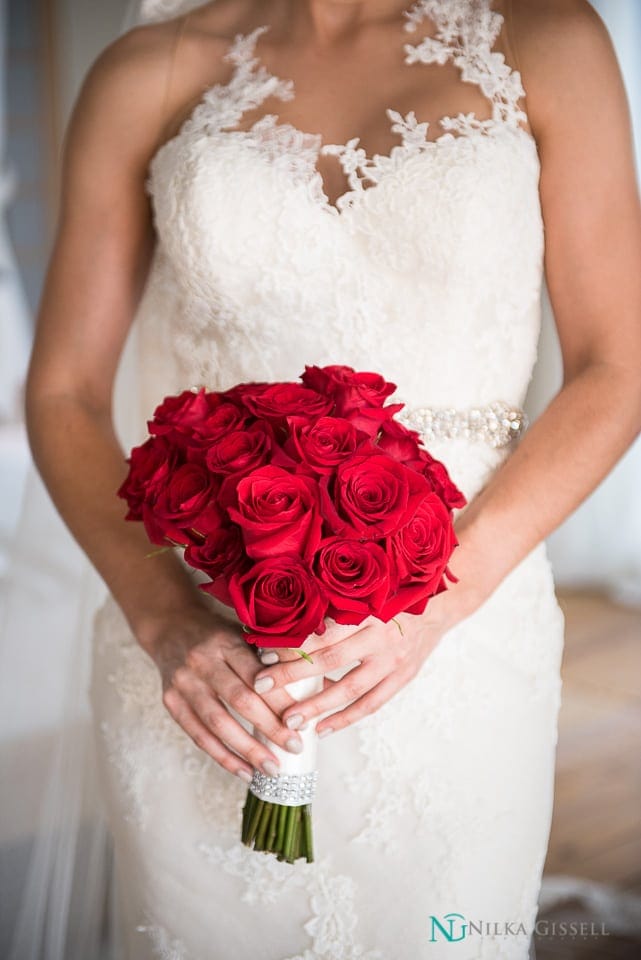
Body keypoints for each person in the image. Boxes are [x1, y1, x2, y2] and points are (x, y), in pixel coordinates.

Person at [22, 0, 641, 957]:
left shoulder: (546, 37)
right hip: (201, 649)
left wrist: (433, 605)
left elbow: (619, 365)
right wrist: (162, 618)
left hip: (465, 614)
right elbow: (63, 391)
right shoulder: (150, 66)